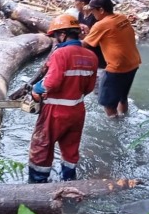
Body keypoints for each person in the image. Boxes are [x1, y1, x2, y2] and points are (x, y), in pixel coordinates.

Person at [27, 14, 98, 183]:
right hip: (77, 111)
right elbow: (89, 88)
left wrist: (35, 90)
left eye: (56, 36)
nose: (56, 40)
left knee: (42, 147)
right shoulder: (91, 56)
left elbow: (50, 83)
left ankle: (38, 183)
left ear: (63, 35)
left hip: (55, 111)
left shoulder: (61, 54)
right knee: (70, 147)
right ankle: (68, 180)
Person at [83, 0, 142, 118]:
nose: (92, 13)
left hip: (117, 68)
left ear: (101, 10)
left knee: (108, 104)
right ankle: (124, 117)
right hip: (133, 63)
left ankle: (115, 128)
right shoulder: (121, 17)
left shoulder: (101, 25)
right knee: (122, 97)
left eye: (93, 10)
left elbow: (84, 45)